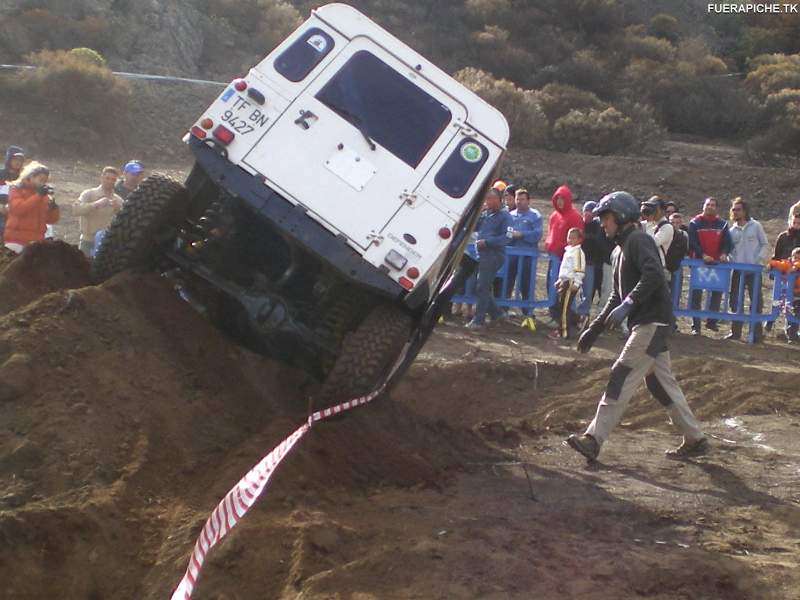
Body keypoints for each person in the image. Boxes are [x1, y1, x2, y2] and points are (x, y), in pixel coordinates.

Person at [566, 191, 706, 461]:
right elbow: (616, 295)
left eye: (606, 218)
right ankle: (695, 437)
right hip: (648, 322)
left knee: (621, 373)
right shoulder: (620, 250)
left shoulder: (638, 240)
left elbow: (653, 274)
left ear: (620, 216)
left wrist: (629, 304)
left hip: (651, 321)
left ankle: (594, 438)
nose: (603, 224)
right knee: (659, 384)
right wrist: (595, 328)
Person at [466, 188, 513, 330]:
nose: (489, 201)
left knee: (481, 286)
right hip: (482, 255)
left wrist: (487, 242)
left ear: (500, 199)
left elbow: (508, 237)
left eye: (492, 198)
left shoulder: (505, 217)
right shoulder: (486, 214)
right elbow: (474, 226)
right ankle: (496, 313)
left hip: (494, 255)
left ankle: (478, 320)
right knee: (480, 287)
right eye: (487, 199)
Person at [688, 197, 732, 335]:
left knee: (717, 292)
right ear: (703, 206)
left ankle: (711, 321)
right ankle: (696, 326)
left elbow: (728, 242)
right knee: (696, 294)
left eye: (713, 205)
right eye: (708, 204)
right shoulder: (695, 223)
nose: (710, 207)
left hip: (717, 264)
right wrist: (703, 255)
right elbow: (693, 242)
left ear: (717, 208)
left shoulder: (723, 224)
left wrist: (724, 253)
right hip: (699, 262)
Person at [726, 198, 769, 341]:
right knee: (735, 301)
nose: (735, 212)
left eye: (738, 209)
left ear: (745, 211)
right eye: (733, 209)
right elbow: (729, 250)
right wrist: (732, 260)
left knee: (756, 301)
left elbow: (764, 244)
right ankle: (735, 332)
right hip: (737, 271)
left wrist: (758, 259)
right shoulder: (731, 231)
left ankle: (756, 333)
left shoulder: (756, 226)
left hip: (754, 271)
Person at [4, 162, 60, 253]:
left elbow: (51, 220)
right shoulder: (17, 189)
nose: (43, 183)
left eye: (45, 181)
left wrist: (53, 208)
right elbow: (18, 210)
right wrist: (38, 196)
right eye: (41, 180)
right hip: (17, 240)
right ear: (31, 177)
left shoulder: (44, 195)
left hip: (36, 241)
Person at [73, 166, 125, 257]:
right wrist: (95, 204)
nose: (110, 181)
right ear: (101, 178)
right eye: (107, 178)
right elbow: (75, 210)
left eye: (113, 179)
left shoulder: (118, 200)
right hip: (88, 240)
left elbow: (126, 221)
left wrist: (119, 208)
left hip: (107, 242)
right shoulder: (89, 194)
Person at [506, 188, 543, 312]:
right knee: (507, 282)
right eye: (517, 199)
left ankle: (527, 312)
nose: (519, 202)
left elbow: (537, 234)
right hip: (510, 254)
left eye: (522, 199)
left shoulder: (535, 216)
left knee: (525, 284)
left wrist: (521, 235)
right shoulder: (510, 215)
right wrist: (510, 236)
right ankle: (502, 310)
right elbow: (504, 233)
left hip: (527, 255)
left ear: (528, 201)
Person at [550, 227, 585, 339]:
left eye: (573, 238)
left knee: (564, 308)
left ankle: (563, 332)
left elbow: (579, 269)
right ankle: (579, 319)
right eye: (569, 237)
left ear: (579, 240)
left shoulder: (578, 252)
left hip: (571, 282)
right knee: (562, 306)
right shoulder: (568, 251)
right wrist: (560, 279)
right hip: (564, 281)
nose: (570, 240)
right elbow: (565, 268)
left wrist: (577, 283)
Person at [769, 247, 800, 343]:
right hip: (789, 294)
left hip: (798, 294)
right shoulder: (787, 264)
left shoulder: (795, 266)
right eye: (795, 257)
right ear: (791, 257)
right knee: (786, 312)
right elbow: (778, 264)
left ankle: (793, 335)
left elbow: (797, 265)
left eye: (799, 258)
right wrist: (770, 264)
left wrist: (796, 266)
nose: (797, 259)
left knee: (796, 314)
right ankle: (790, 334)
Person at [545, 184, 584, 260]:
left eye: (562, 198)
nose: (559, 201)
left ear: (567, 199)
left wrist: (563, 248)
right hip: (552, 256)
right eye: (557, 198)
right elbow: (550, 235)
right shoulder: (554, 216)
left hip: (567, 257)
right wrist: (548, 244)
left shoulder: (575, 217)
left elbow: (579, 239)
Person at [0, 146, 25, 245]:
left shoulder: (25, 177)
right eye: (15, 159)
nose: (18, 162)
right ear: (9, 159)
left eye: (20, 159)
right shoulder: (1, 174)